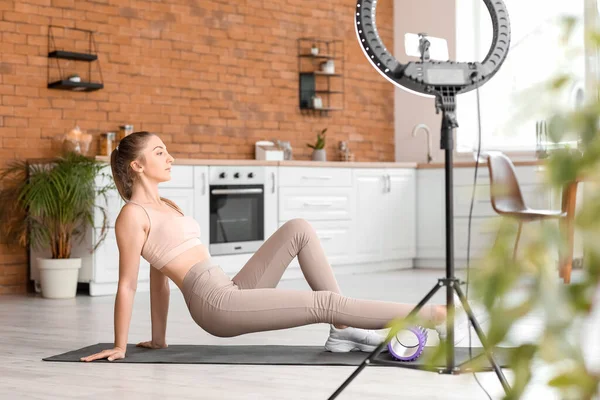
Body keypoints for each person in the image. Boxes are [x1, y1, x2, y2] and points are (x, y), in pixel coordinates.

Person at [80, 132, 450, 363]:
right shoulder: (132, 215)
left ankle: (342, 330)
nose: (170, 157)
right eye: (160, 152)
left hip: (229, 288)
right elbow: (130, 284)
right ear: (138, 165)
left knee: (299, 229)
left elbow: (160, 278)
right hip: (215, 305)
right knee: (324, 303)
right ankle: (432, 315)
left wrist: (160, 340)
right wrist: (120, 345)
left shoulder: (168, 206)